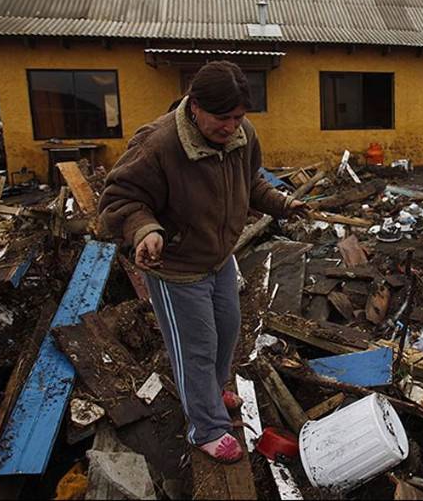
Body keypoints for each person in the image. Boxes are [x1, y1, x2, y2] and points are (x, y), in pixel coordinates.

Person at [98, 61, 307, 463]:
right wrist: (146, 230)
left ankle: (210, 394)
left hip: (219, 258)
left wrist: (282, 204)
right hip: (176, 265)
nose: (231, 127)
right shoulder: (158, 144)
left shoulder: (243, 135)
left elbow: (252, 183)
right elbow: (119, 200)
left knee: (226, 333)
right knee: (195, 347)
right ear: (195, 106)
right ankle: (205, 428)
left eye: (238, 117)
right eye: (221, 118)